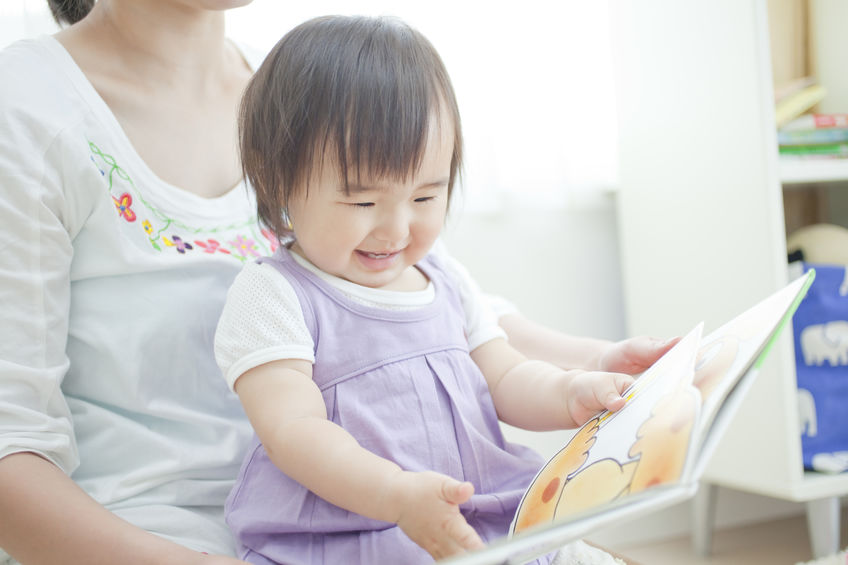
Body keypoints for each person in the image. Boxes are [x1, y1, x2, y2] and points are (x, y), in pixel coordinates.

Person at [0, 1, 674, 564]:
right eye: (360, 201)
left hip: (404, 509)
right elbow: (11, 446)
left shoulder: (305, 89)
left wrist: (596, 369)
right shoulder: (27, 108)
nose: (393, 222)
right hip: (179, 534)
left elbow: (441, 313)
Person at [213, 14, 671, 565]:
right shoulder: (275, 295)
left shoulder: (444, 279)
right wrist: (395, 496)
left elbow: (504, 374)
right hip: (353, 531)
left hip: (478, 513)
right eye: (363, 202)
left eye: (426, 198)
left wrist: (569, 392)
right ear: (279, 180)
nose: (397, 229)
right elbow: (293, 429)